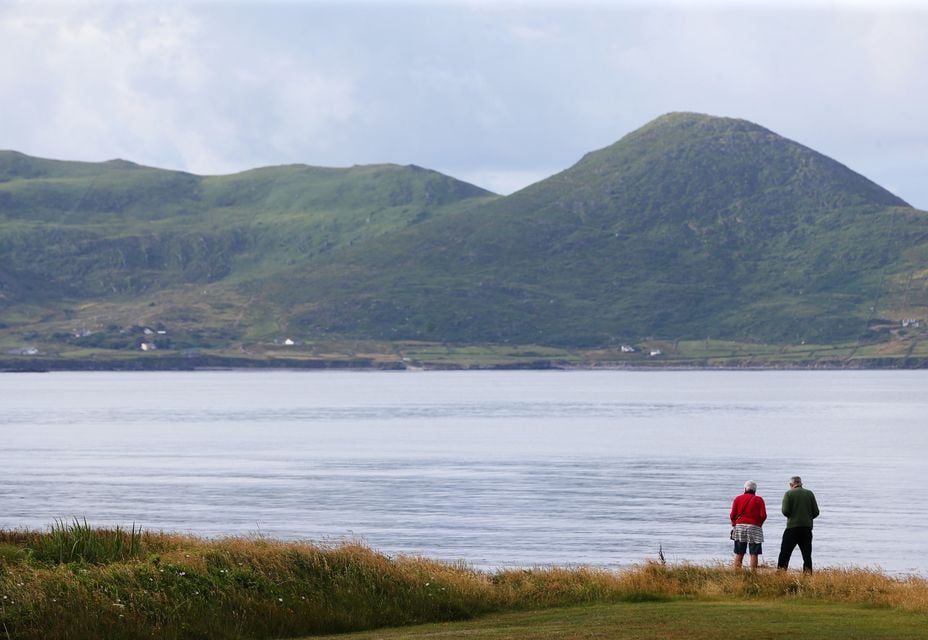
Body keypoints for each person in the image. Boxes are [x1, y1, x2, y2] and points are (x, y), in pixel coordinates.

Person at [777, 476, 820, 573]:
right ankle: (808, 575)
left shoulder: (788, 494)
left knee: (785, 553)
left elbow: (785, 511)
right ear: (801, 484)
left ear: (791, 485)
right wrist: (807, 518)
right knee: (806, 555)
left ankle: (780, 574)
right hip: (806, 528)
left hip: (792, 528)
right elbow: (816, 512)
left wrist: (793, 516)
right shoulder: (809, 493)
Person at [730, 480, 767, 571]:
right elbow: (763, 515)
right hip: (754, 527)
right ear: (755, 490)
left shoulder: (738, 499)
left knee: (739, 552)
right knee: (754, 553)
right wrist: (759, 524)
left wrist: (734, 524)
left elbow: (732, 515)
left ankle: (737, 573)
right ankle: (753, 574)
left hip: (740, 527)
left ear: (745, 489)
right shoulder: (759, 499)